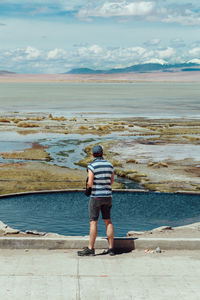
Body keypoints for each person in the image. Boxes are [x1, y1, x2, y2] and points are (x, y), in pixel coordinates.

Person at [77, 145, 115, 256]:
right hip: (108, 196)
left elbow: (90, 182)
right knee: (108, 221)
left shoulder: (92, 166)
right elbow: (111, 181)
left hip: (96, 197)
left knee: (93, 221)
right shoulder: (110, 165)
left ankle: (91, 248)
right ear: (102, 153)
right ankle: (111, 248)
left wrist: (88, 190)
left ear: (93, 154)